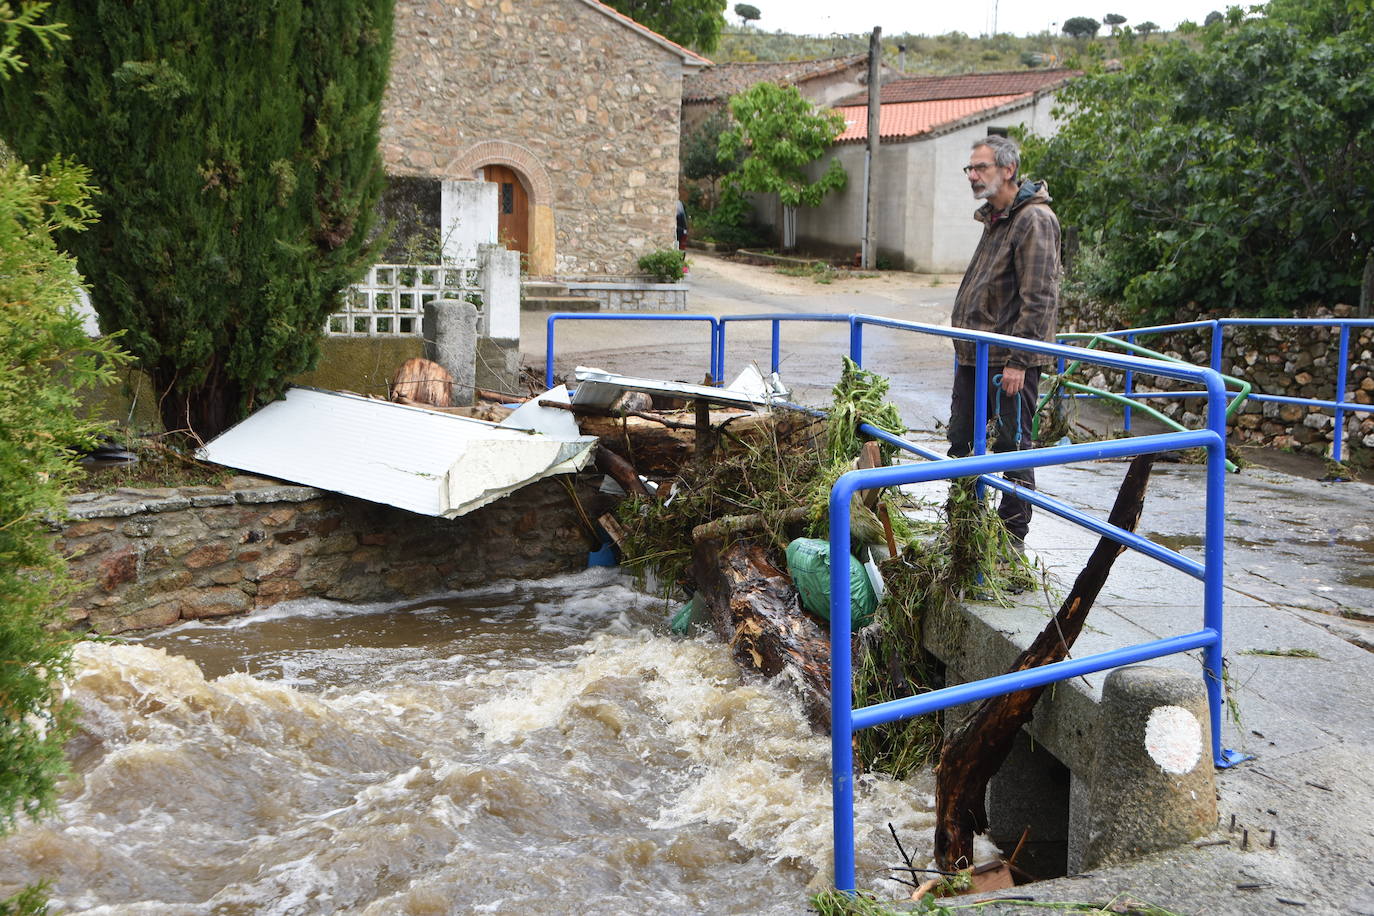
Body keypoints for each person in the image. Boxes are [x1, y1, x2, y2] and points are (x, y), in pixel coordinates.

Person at [947, 134, 1061, 548]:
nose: (973, 176)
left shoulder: (1034, 220)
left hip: (1007, 361)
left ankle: (1011, 540)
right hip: (974, 355)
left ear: (1008, 170)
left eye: (981, 168)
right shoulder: (996, 218)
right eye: (970, 169)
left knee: (1014, 448)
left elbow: (1040, 297)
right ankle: (962, 528)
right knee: (962, 443)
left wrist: (1019, 360)